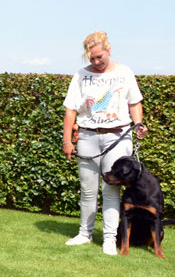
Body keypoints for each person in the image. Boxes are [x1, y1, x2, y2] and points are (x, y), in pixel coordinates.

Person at [61, 31, 148, 255]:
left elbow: (135, 103)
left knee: (111, 189)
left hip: (118, 137)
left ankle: (109, 239)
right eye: (92, 59)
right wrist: (67, 141)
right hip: (88, 136)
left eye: (100, 57)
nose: (97, 62)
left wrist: (138, 123)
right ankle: (84, 233)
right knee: (87, 191)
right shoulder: (80, 76)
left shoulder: (124, 72)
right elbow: (70, 110)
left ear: (108, 51)